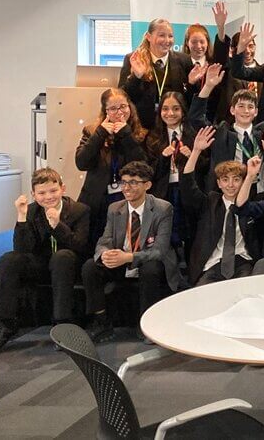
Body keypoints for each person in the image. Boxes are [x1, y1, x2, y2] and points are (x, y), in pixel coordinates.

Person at [0, 169, 90, 351]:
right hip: (41, 264)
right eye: (42, 193)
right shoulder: (31, 211)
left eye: (53, 191)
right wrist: (21, 217)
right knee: (9, 259)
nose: (48, 197)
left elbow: (80, 245)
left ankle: (62, 323)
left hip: (67, 265)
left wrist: (57, 226)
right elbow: (22, 250)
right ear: (34, 194)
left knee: (62, 257)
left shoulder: (79, 210)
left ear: (62, 189)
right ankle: (5, 323)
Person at [81, 161, 179, 343]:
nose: (126, 187)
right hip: (122, 259)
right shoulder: (115, 208)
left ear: (147, 185)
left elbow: (159, 250)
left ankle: (147, 325)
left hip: (147, 260)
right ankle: (101, 321)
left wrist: (129, 257)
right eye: (124, 182)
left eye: (133, 182)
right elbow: (105, 240)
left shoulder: (163, 208)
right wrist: (104, 253)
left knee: (151, 267)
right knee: (90, 267)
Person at [180, 127, 258, 285]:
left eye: (236, 179)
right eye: (225, 180)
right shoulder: (209, 202)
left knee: (245, 290)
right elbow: (188, 185)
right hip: (213, 263)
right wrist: (196, 151)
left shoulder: (252, 206)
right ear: (219, 183)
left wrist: (251, 175)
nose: (231, 185)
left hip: (243, 261)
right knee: (203, 293)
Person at [76, 88, 148, 245]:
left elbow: (142, 167)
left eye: (123, 106)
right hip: (97, 199)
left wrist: (126, 134)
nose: (119, 112)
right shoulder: (91, 131)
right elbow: (81, 163)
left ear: (130, 107)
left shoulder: (141, 134)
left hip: (127, 198)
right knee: (94, 245)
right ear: (105, 111)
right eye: (113, 108)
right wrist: (100, 134)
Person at [188, 66, 264, 194]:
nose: (246, 111)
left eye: (250, 107)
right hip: (230, 194)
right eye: (241, 106)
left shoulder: (263, 133)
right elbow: (196, 118)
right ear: (232, 110)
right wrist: (208, 86)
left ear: (256, 112)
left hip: (261, 194)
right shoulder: (221, 134)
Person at [143, 91, 199, 259]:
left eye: (176, 109)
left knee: (190, 230)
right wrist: (163, 157)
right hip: (164, 191)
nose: (170, 113)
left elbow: (206, 165)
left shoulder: (194, 134)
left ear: (183, 111)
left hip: (187, 190)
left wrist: (192, 156)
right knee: (166, 232)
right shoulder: (152, 137)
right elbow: (149, 171)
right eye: (165, 109)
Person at [119, 18, 193, 130]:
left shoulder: (184, 60)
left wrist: (192, 84)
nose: (167, 40)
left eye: (170, 36)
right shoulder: (134, 59)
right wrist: (136, 77)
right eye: (162, 35)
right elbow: (123, 97)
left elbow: (189, 99)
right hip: (143, 127)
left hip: (173, 125)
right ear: (148, 37)